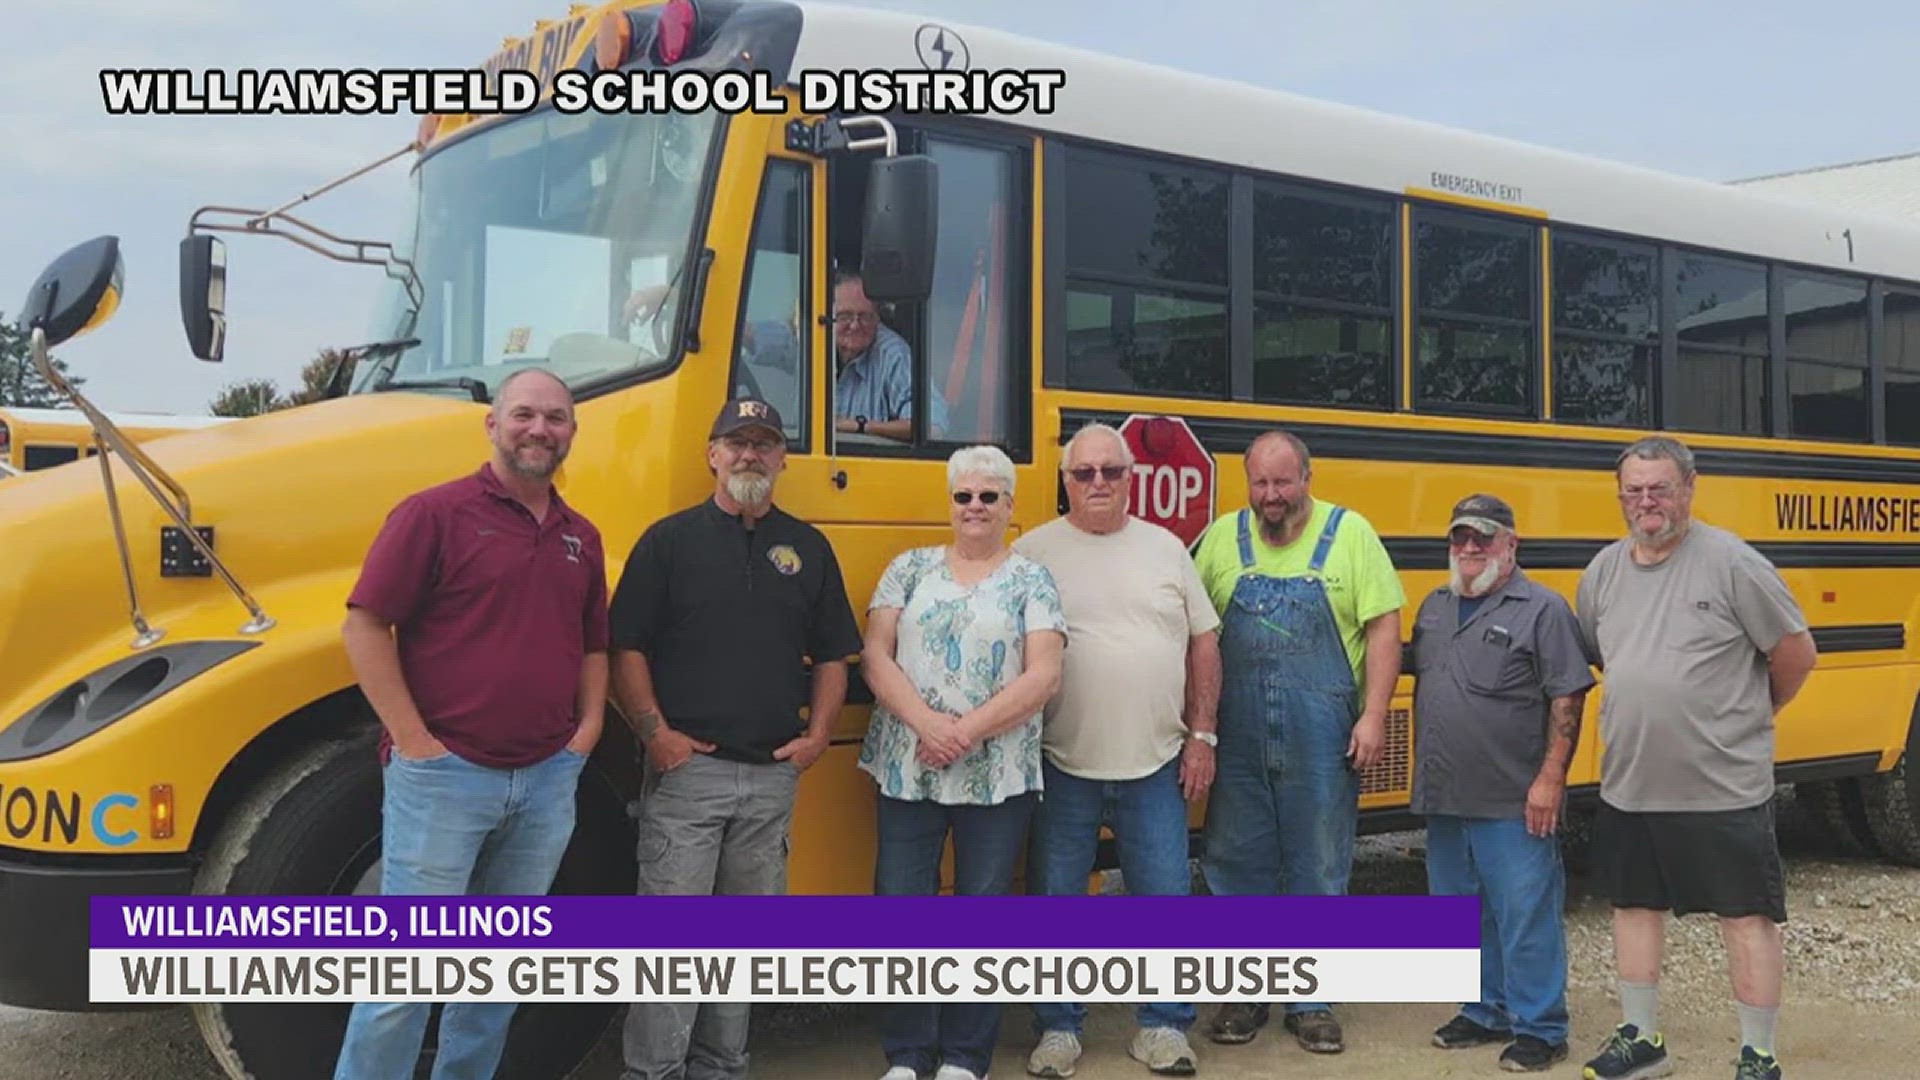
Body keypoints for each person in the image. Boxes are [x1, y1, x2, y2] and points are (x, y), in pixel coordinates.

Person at [332, 368, 609, 1080]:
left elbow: (594, 644)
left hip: (546, 779)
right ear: (492, 424)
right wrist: (417, 744)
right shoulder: (433, 514)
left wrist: (586, 734)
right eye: (524, 415)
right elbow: (365, 625)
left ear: (572, 433)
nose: (539, 430)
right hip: (445, 779)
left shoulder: (583, 536)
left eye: (555, 418)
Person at [608, 396, 865, 1080]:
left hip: (772, 779)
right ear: (712, 455)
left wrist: (816, 738)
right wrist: (655, 733)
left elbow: (835, 655)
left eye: (764, 443)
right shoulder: (667, 542)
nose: (750, 454)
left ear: (782, 459)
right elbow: (625, 646)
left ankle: (721, 1069)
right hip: (687, 776)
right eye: (737, 442)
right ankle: (654, 1072)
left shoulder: (808, 548)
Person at [1574, 436, 1816, 1080]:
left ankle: (1759, 1055)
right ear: (1621, 495)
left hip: (1722, 787)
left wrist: (1748, 716)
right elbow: (1608, 655)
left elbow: (1796, 653)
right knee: (1632, 908)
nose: (1646, 502)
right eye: (1634, 490)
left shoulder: (1733, 563)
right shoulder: (1601, 572)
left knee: (1746, 918)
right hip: (1631, 782)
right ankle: (1642, 1041)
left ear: (1688, 487)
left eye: (1659, 488)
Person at [1014, 422, 1222, 1079]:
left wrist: (1203, 735)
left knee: (1163, 899)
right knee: (1055, 903)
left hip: (1157, 764)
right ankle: (1058, 1031)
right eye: (1085, 474)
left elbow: (1205, 644)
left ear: (1132, 478)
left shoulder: (1166, 549)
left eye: (1111, 472)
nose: (1098, 483)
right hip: (1061, 762)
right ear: (1066, 481)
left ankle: (1163, 1027)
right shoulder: (1031, 552)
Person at [1189, 429, 1404, 1055]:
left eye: (1283, 482)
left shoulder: (1351, 533)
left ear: (1307, 478)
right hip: (1240, 732)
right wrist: (1197, 726)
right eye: (1260, 482)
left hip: (1324, 733)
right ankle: (1246, 990)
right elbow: (1199, 635)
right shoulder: (1223, 540)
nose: (1271, 495)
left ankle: (1310, 1001)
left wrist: (1375, 716)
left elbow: (1384, 627)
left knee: (1319, 859)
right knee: (1236, 858)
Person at [859, 444, 1069, 1080]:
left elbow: (1045, 675)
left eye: (988, 496)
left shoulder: (1032, 578)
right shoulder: (909, 569)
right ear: (949, 503)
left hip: (996, 772)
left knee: (982, 909)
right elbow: (875, 655)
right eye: (963, 496)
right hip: (906, 766)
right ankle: (908, 1053)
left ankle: (964, 1057)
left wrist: (964, 733)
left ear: (1009, 505)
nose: (974, 507)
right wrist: (927, 725)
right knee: (900, 906)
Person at [1409, 494, 1594, 1072]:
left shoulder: (1542, 609)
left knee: (1525, 912)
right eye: (1459, 538)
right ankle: (1484, 1010)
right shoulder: (1435, 607)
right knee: (1462, 913)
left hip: (1514, 799)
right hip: (1444, 796)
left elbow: (1567, 697)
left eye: (1483, 539)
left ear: (1511, 545)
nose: (1468, 549)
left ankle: (1541, 1026)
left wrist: (1550, 781)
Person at [831, 271, 916, 441]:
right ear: (825, 317)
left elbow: (930, 427)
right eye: (845, 316)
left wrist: (861, 426)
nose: (855, 326)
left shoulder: (892, 354)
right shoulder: (809, 341)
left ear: (878, 317)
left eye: (865, 316)